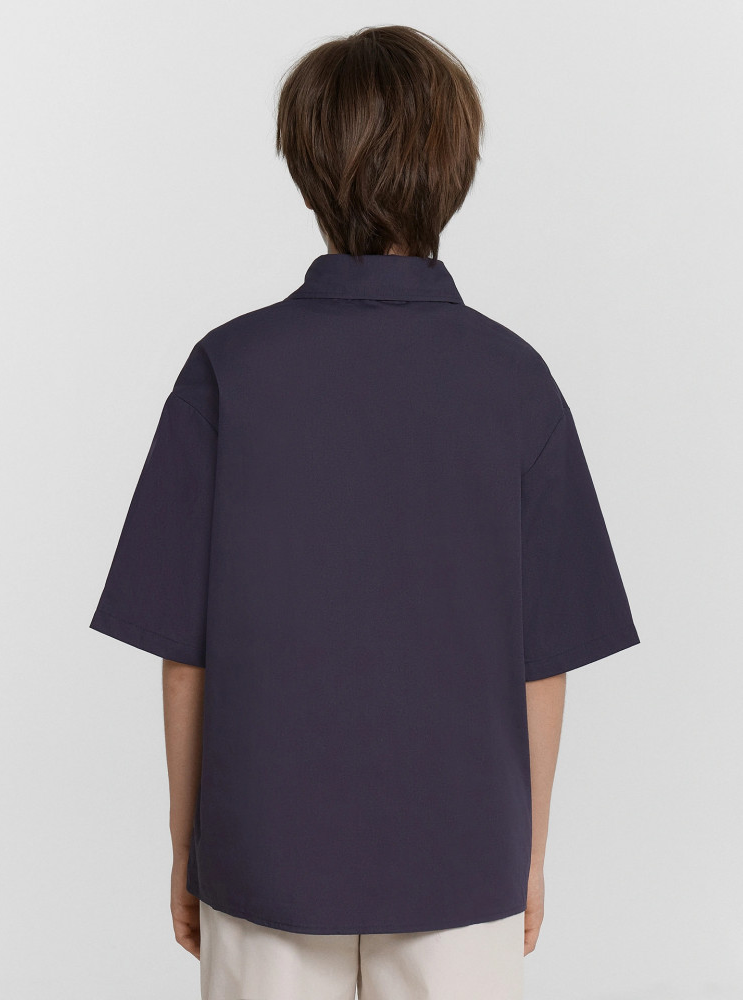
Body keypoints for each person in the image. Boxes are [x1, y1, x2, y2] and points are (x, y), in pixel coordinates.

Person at [89, 24, 640, 1000]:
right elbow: (542, 662)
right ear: (454, 170)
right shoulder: (514, 380)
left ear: (308, 170)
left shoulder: (229, 370)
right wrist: (527, 854)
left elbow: (184, 658)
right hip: (463, 854)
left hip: (263, 852)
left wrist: (187, 848)